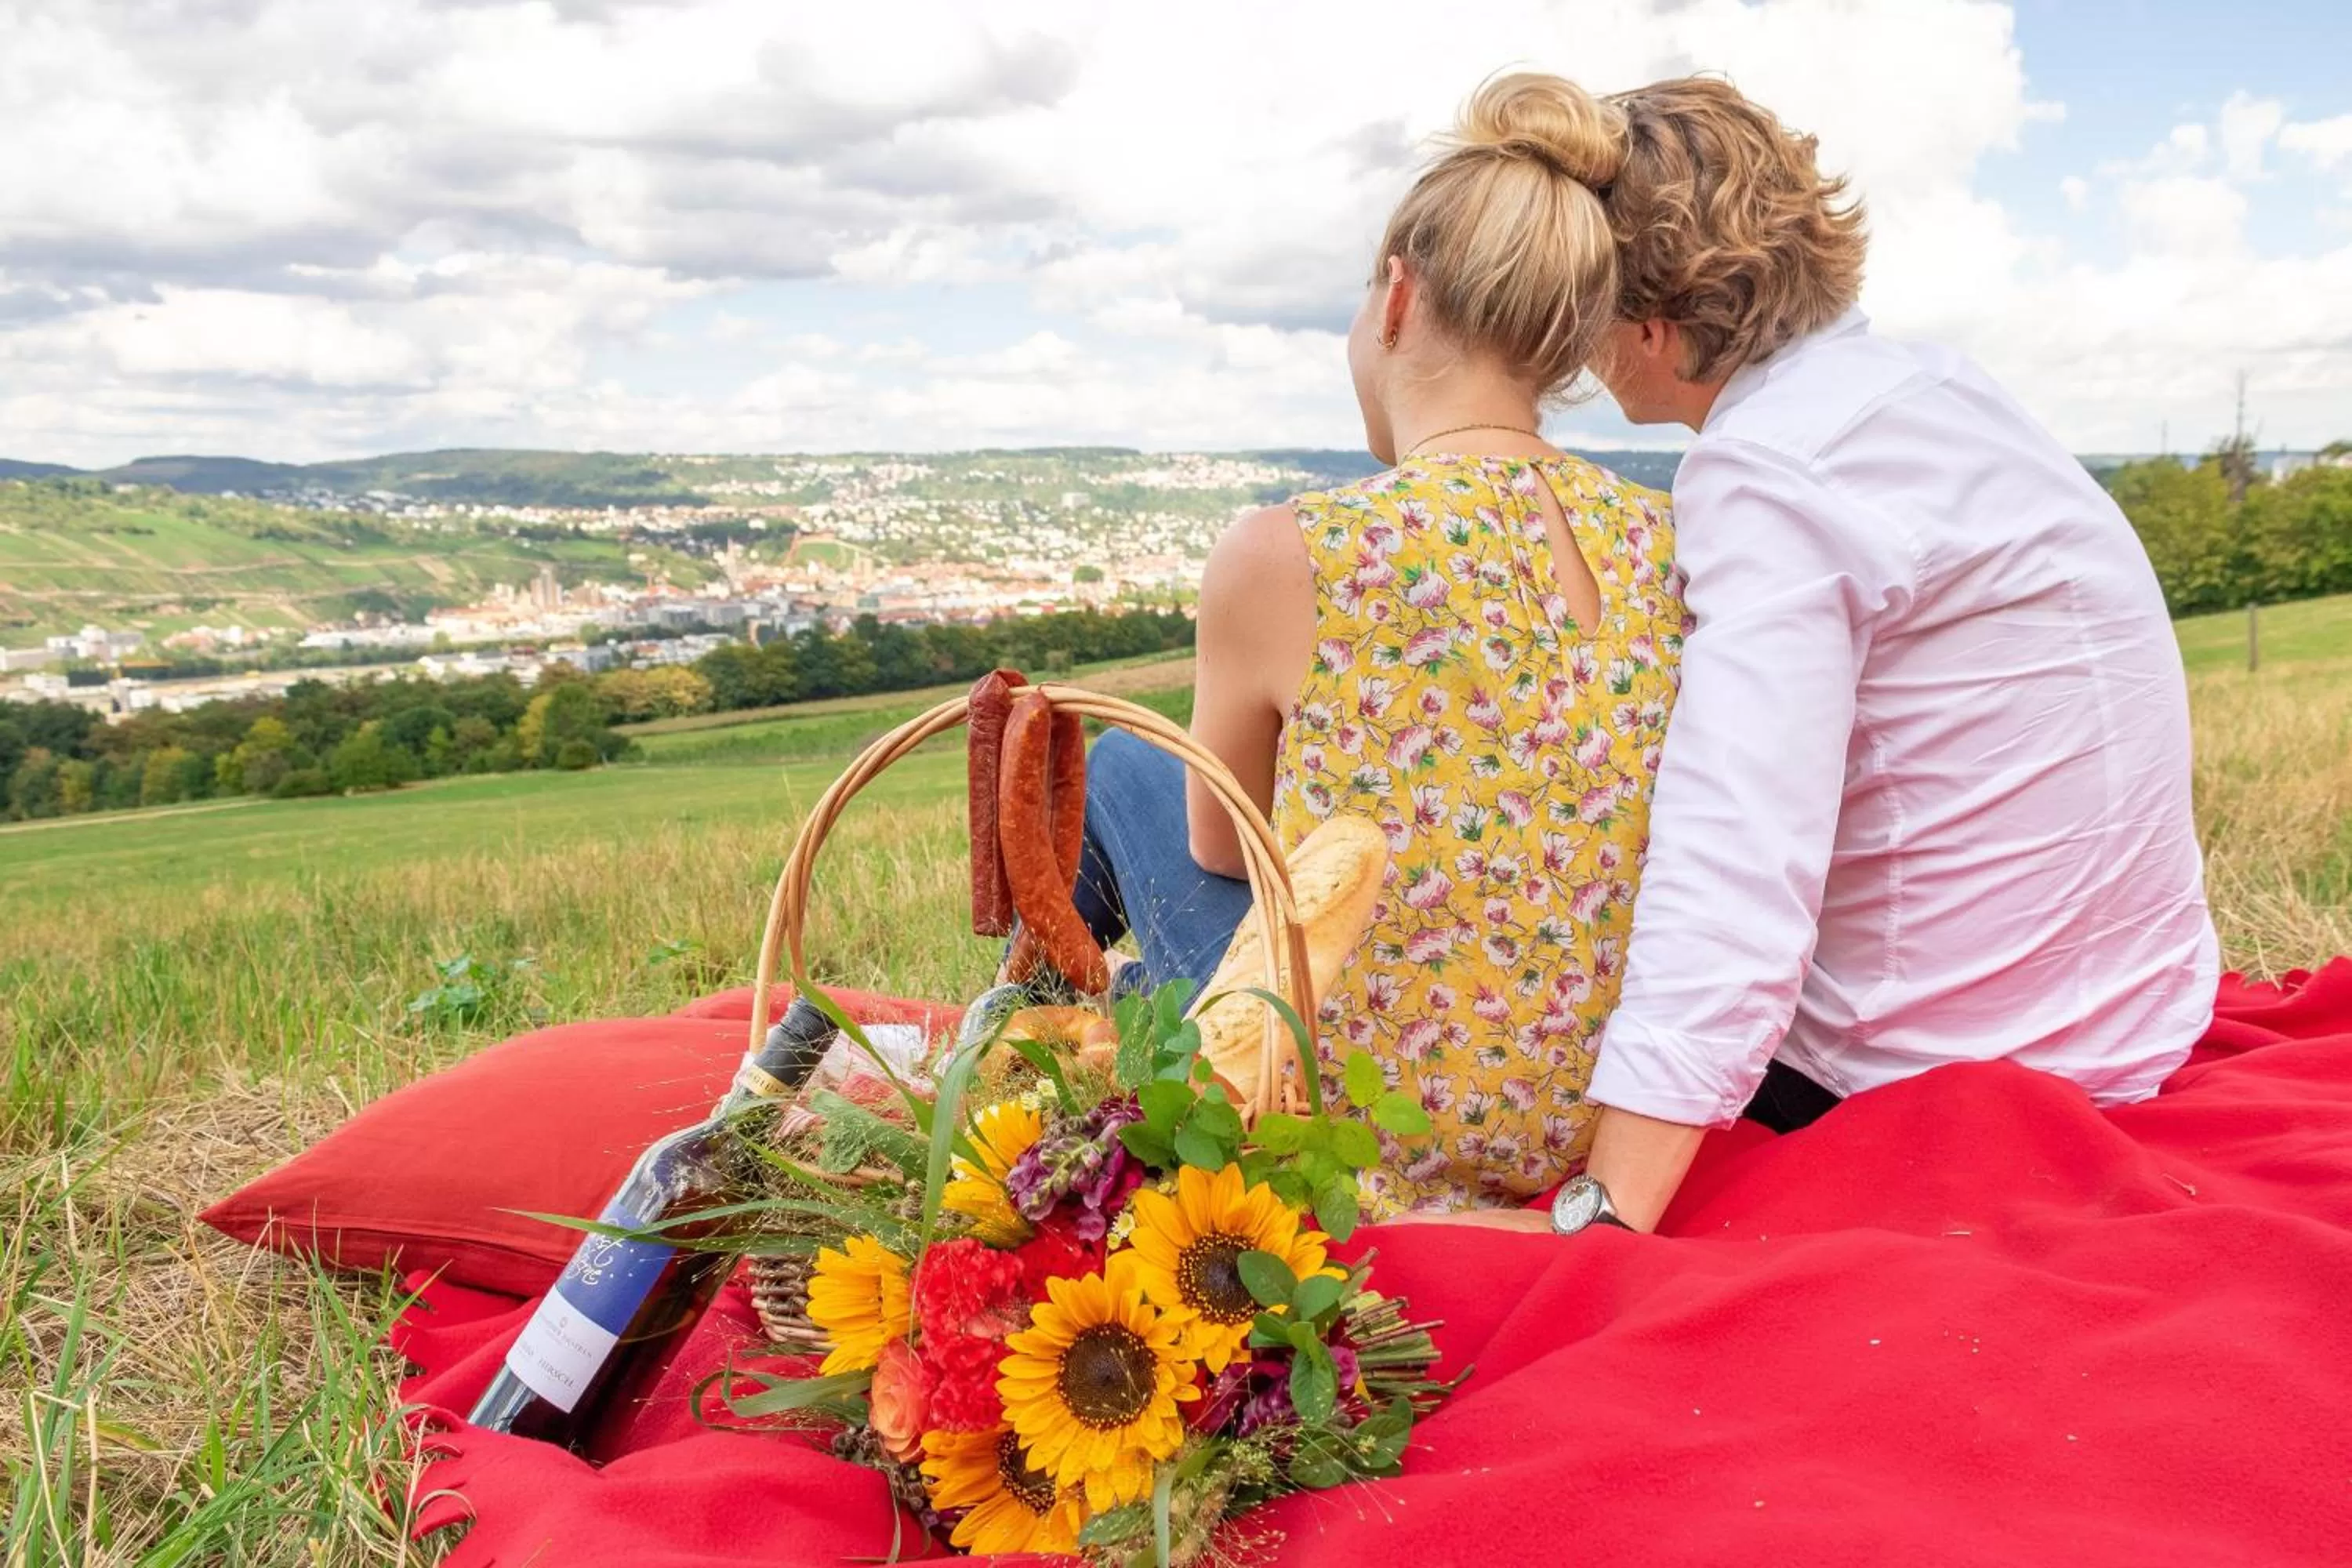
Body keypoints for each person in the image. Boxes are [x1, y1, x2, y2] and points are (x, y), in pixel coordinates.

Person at [1522, 76, 2217, 1236]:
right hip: (2126, 1025)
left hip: (1931, 1076)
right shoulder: (1937, 389)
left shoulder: (1768, 470)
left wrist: (1608, 1208)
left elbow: (1739, 851)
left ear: (1650, 327)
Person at [1048, 73, 1687, 1217]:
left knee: (1123, 767)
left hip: (1347, 1124)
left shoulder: (1288, 552)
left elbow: (1221, 848)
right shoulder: (1665, 533)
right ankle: (1087, 1019)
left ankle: (1034, 1043)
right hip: (1588, 1112)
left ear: (1397, 298)